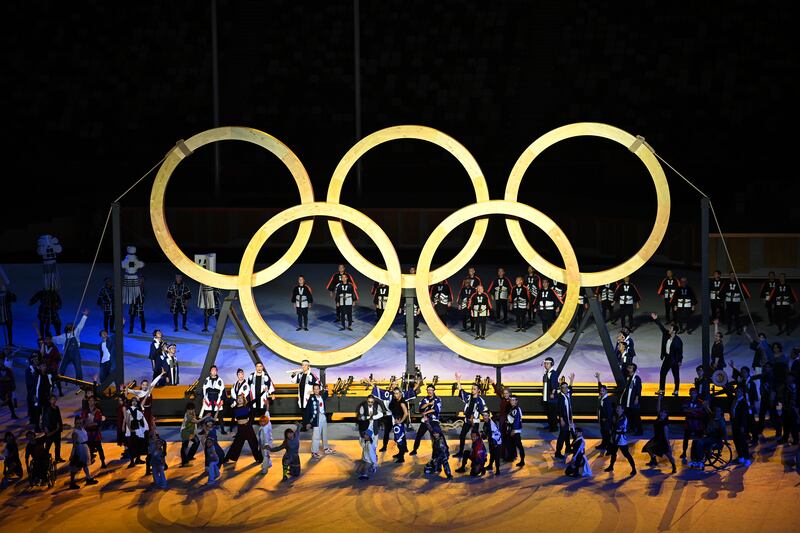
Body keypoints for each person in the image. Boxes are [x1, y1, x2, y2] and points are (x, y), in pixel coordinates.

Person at [453, 373, 487, 457]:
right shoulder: (469, 396)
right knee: (462, 436)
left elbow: (484, 412)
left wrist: (487, 424)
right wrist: (458, 380)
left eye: (474, 389)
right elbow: (461, 391)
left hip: (474, 422)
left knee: (475, 438)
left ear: (478, 390)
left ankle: (476, 452)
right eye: (472, 389)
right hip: (467, 421)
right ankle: (461, 452)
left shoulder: (480, 400)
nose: (473, 390)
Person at [52, 309, 89, 382]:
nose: (69, 328)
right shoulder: (64, 336)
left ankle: (80, 381)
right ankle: (58, 379)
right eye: (68, 327)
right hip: (67, 354)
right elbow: (55, 339)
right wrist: (49, 339)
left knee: (78, 367)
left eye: (70, 327)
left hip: (76, 354)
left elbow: (80, 325)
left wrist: (85, 316)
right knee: (62, 366)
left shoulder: (75, 333)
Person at [643, 392, 677, 473]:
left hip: (662, 440)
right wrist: (659, 399)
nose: (662, 413)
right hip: (656, 438)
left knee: (669, 455)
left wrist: (668, 444)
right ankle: (654, 460)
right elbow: (658, 409)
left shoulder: (665, 424)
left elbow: (666, 435)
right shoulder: (659, 418)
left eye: (664, 413)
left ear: (666, 415)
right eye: (662, 412)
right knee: (647, 447)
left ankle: (674, 466)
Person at [225, 393, 263, 464]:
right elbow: (233, 419)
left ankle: (259, 458)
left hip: (248, 427)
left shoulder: (247, 406)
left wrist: (263, 392)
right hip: (240, 428)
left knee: (253, 443)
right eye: (238, 398)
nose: (239, 400)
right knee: (236, 444)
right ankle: (228, 458)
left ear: (243, 400)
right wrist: (231, 430)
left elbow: (256, 399)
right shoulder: (234, 408)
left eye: (241, 398)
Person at [651, 313, 683, 396]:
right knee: (662, 373)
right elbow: (661, 326)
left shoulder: (678, 341)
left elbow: (680, 352)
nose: (669, 329)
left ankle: (676, 390)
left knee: (676, 375)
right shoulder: (666, 334)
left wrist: (679, 361)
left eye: (671, 328)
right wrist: (656, 319)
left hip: (674, 360)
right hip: (667, 358)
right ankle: (662, 389)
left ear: (674, 331)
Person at [604, 404, 637, 475]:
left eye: (619, 408)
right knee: (613, 453)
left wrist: (611, 422)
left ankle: (634, 469)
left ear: (623, 410)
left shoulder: (624, 418)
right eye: (616, 408)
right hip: (615, 437)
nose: (617, 409)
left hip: (621, 439)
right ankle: (611, 466)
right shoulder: (616, 417)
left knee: (626, 454)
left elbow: (617, 426)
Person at [410, 384, 442, 456]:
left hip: (434, 420)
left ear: (434, 390)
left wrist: (426, 412)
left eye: (431, 390)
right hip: (425, 420)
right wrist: (429, 404)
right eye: (428, 390)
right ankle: (415, 450)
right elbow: (421, 408)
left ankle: (436, 453)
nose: (429, 391)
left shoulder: (438, 399)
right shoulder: (424, 399)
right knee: (418, 435)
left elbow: (436, 410)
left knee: (435, 437)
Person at [305, 382, 334, 459]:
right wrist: (307, 422)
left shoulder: (321, 397)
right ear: (313, 390)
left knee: (325, 433)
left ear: (319, 389)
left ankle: (326, 448)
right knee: (316, 435)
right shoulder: (312, 398)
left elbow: (325, 396)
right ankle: (314, 452)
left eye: (317, 389)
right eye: (315, 389)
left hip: (323, 416)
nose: (316, 390)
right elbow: (307, 410)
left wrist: (327, 390)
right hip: (316, 418)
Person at [68, 417, 98, 489]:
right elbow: (74, 444)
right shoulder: (75, 432)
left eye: (80, 423)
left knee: (84, 464)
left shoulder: (82, 429)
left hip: (84, 447)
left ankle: (88, 478)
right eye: (78, 423)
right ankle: (72, 483)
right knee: (76, 466)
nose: (79, 424)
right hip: (79, 448)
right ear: (75, 423)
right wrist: (72, 454)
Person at [755, 362, 782, 440]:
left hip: (771, 399)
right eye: (765, 367)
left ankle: (778, 431)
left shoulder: (773, 377)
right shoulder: (764, 376)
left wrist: (772, 398)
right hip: (764, 398)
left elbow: (774, 389)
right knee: (762, 415)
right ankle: (760, 430)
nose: (766, 368)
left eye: (768, 367)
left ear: (771, 368)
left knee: (773, 415)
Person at [554, 374, 575, 460]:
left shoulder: (568, 394)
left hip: (569, 418)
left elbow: (571, 389)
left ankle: (568, 448)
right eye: (564, 387)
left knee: (567, 433)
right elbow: (558, 409)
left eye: (566, 387)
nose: (566, 389)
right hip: (563, 418)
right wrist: (561, 419)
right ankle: (558, 452)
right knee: (562, 435)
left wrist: (571, 381)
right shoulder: (560, 397)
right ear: (561, 389)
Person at [124, 396, 149, 468]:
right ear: (131, 402)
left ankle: (138, 459)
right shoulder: (128, 410)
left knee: (138, 445)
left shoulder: (138, 410)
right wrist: (130, 429)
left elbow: (142, 419)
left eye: (135, 401)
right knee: (132, 446)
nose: (134, 402)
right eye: (133, 401)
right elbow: (127, 421)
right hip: (132, 430)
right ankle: (132, 461)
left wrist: (145, 427)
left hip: (138, 430)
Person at [730, 386, 752, 465]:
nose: (737, 393)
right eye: (736, 391)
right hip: (735, 424)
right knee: (736, 441)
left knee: (743, 442)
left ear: (742, 393)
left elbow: (744, 416)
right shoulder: (734, 401)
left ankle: (747, 458)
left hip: (741, 425)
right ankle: (740, 457)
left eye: (739, 391)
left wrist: (742, 426)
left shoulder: (743, 402)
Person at [388, 387, 410, 463]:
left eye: (397, 393)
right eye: (394, 393)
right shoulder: (395, 400)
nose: (395, 395)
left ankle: (401, 457)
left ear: (400, 393)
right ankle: (400, 453)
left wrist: (401, 422)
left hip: (399, 423)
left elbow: (406, 414)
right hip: (395, 421)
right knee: (399, 438)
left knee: (399, 439)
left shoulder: (402, 402)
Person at [41, 395, 64, 463]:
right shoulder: (48, 409)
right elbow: (45, 419)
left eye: (54, 399)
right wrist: (46, 428)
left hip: (57, 429)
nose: (54, 400)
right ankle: (44, 458)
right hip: (50, 430)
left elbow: (59, 418)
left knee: (57, 445)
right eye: (52, 399)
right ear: (49, 401)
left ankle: (57, 457)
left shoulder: (57, 408)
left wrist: (61, 426)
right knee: (48, 445)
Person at [595, 373, 614, 454]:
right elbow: (600, 387)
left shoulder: (606, 401)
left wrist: (606, 419)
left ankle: (609, 449)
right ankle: (603, 445)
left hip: (606, 421)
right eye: (601, 391)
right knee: (603, 433)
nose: (601, 392)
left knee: (607, 435)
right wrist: (598, 379)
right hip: (602, 420)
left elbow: (609, 412)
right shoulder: (602, 397)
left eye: (603, 391)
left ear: (606, 391)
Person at [621, 363, 643, 436]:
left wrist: (636, 398)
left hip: (633, 401)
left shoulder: (636, 378)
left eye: (630, 368)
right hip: (628, 401)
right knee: (630, 416)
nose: (628, 369)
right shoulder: (629, 377)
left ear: (633, 370)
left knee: (636, 416)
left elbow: (639, 389)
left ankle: (640, 431)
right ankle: (632, 429)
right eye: (628, 367)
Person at [31, 360, 52, 432]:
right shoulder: (37, 375)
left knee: (45, 413)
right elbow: (34, 386)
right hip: (38, 397)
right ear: (39, 367)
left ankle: (44, 426)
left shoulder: (46, 375)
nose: (45, 367)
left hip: (45, 397)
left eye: (45, 366)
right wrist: (34, 396)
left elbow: (49, 385)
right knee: (37, 413)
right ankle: (36, 427)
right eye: (43, 366)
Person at [779, 373, 799, 445]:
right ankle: (785, 438)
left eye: (790, 377)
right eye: (787, 377)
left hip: (793, 408)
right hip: (786, 408)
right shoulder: (785, 387)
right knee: (785, 424)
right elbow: (782, 397)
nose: (788, 378)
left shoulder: (795, 387)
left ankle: (795, 439)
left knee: (793, 425)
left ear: (793, 378)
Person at [179, 402, 201, 467]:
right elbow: (196, 421)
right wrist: (206, 417)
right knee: (184, 447)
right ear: (187, 410)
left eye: (192, 409)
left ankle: (190, 456)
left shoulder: (192, 413)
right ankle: (184, 462)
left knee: (197, 442)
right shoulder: (188, 415)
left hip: (190, 432)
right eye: (190, 410)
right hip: (185, 432)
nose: (191, 411)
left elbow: (194, 424)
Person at [505, 396, 524, 467]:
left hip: (515, 431)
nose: (512, 401)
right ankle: (511, 457)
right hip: (511, 430)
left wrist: (514, 430)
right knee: (511, 445)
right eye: (511, 400)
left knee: (519, 445)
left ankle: (522, 461)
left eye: (513, 400)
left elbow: (517, 421)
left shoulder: (517, 409)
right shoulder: (511, 408)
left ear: (516, 401)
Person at [542, 357, 559, 431]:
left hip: (551, 397)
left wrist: (553, 393)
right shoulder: (546, 373)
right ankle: (551, 425)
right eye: (545, 363)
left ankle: (554, 427)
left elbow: (554, 384)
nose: (545, 365)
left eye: (547, 363)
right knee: (549, 412)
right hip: (546, 397)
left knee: (553, 413)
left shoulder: (553, 373)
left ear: (551, 364)